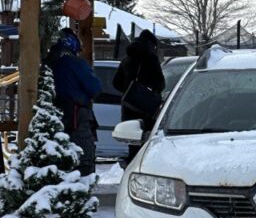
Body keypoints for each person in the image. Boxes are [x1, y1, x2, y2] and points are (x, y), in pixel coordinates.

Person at [45, 27, 102, 176]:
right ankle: (82, 186)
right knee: (83, 153)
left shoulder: (48, 63)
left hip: (52, 115)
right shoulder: (75, 63)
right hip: (77, 115)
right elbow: (95, 87)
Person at [113, 29, 166, 160]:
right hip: (146, 109)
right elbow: (160, 84)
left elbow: (115, 82)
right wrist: (149, 91)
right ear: (151, 44)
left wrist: (129, 91)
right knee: (146, 145)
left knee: (132, 143)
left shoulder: (126, 58)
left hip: (129, 107)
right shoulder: (151, 58)